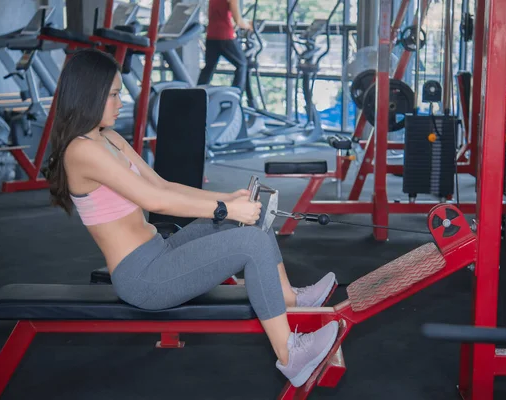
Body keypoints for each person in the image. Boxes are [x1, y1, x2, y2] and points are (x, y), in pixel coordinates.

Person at [45, 48, 339, 388]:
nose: (120, 101)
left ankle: (288, 297)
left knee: (247, 221)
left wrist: (226, 200)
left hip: (159, 251)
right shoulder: (81, 151)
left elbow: (162, 184)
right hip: (142, 278)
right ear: (89, 95)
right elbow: (154, 200)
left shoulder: (107, 138)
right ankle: (291, 356)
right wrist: (224, 209)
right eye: (112, 94)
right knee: (251, 242)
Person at [196, 0, 250, 93]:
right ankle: (236, 96)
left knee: (209, 67)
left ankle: (196, 94)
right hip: (225, 36)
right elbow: (239, 21)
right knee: (242, 64)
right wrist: (250, 26)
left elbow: (219, 16)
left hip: (211, 36)